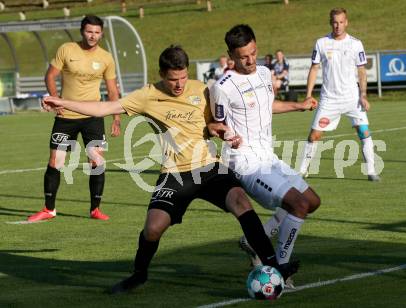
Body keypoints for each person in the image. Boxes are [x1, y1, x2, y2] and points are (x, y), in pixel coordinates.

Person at [41, 45, 299, 293]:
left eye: (184, 77)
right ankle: (139, 274)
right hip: (175, 173)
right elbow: (105, 107)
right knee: (153, 228)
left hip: (209, 167)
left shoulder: (201, 89)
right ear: (163, 75)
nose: (180, 84)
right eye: (174, 79)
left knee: (241, 202)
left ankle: (275, 265)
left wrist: (222, 132)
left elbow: (212, 125)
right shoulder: (147, 95)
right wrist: (62, 102)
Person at [209, 24, 321, 287]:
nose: (250, 60)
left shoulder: (264, 72)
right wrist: (228, 136)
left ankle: (253, 240)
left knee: (312, 201)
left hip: (268, 157)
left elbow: (267, 106)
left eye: (253, 52)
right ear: (230, 55)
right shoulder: (222, 87)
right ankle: (282, 269)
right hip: (246, 163)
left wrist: (298, 105)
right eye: (243, 56)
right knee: (299, 205)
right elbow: (217, 124)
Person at [27, 15, 121, 222]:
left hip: (93, 116)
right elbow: (50, 75)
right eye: (89, 31)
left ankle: (95, 209)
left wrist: (116, 117)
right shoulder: (67, 49)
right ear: (82, 31)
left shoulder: (106, 57)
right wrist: (55, 99)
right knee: (55, 161)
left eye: (97, 32)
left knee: (97, 162)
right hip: (66, 117)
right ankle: (49, 209)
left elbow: (113, 90)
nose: (92, 36)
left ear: (101, 34)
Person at [298, 8, 380, 181]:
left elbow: (362, 71)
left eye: (341, 22)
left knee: (364, 132)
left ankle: (372, 171)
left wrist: (363, 95)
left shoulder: (356, 44)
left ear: (346, 22)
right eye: (335, 22)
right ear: (330, 23)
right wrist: (308, 94)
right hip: (329, 99)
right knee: (314, 136)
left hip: (352, 98)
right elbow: (314, 68)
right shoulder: (321, 43)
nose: (338, 26)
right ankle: (302, 172)